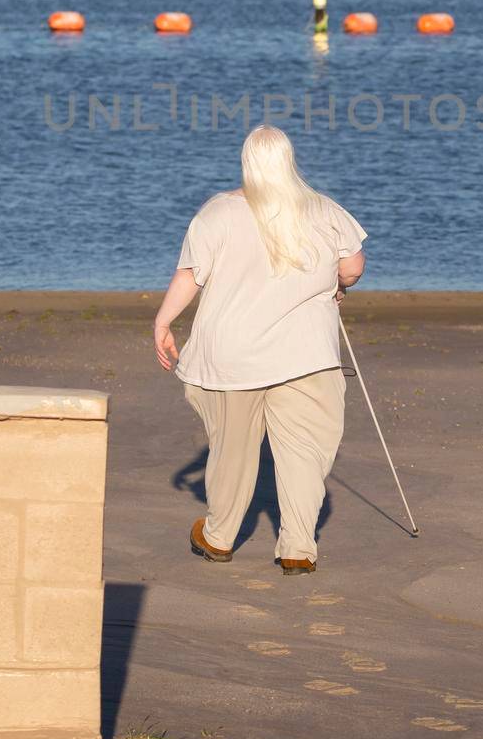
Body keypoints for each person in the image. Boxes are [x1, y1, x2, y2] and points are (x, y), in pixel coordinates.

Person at [154, 125, 367, 575]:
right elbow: (352, 267)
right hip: (307, 357)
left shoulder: (216, 214)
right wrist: (338, 283)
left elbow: (190, 275)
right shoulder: (324, 209)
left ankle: (219, 537)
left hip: (234, 358)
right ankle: (296, 548)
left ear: (246, 162)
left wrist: (163, 320)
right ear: (289, 160)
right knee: (305, 453)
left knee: (230, 449)